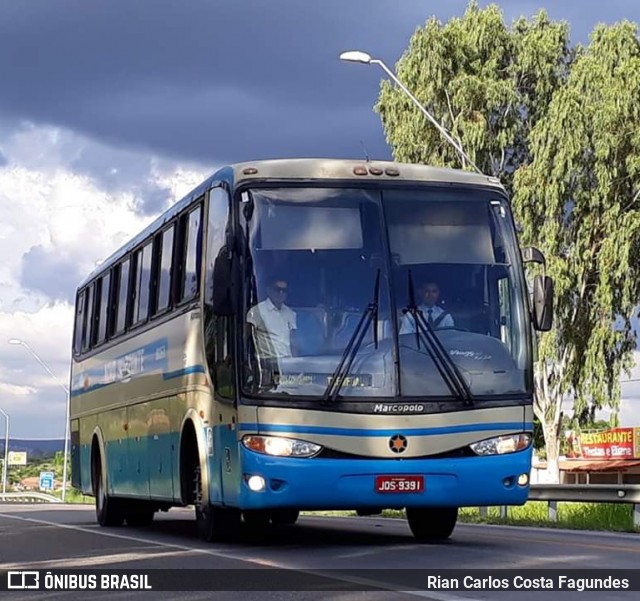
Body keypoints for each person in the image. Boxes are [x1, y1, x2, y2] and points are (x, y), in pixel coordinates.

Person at [246, 276, 297, 386]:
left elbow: (293, 341)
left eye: (284, 291)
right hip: (267, 364)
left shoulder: (290, 313)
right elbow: (247, 338)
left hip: (287, 364)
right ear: (268, 290)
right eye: (277, 289)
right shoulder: (257, 311)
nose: (281, 293)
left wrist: (295, 364)